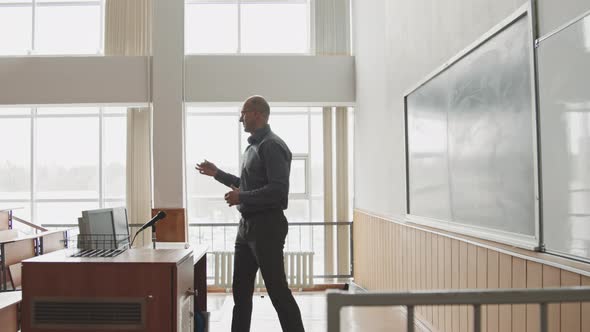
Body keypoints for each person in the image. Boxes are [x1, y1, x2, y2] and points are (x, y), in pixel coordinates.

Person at [195, 96, 305, 332]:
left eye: (243, 113)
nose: (240, 118)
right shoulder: (252, 147)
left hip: (267, 226)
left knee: (277, 291)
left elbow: (278, 190)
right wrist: (218, 174)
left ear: (257, 114)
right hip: (246, 228)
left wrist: (240, 197)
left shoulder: (272, 145)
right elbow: (245, 184)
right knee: (241, 293)